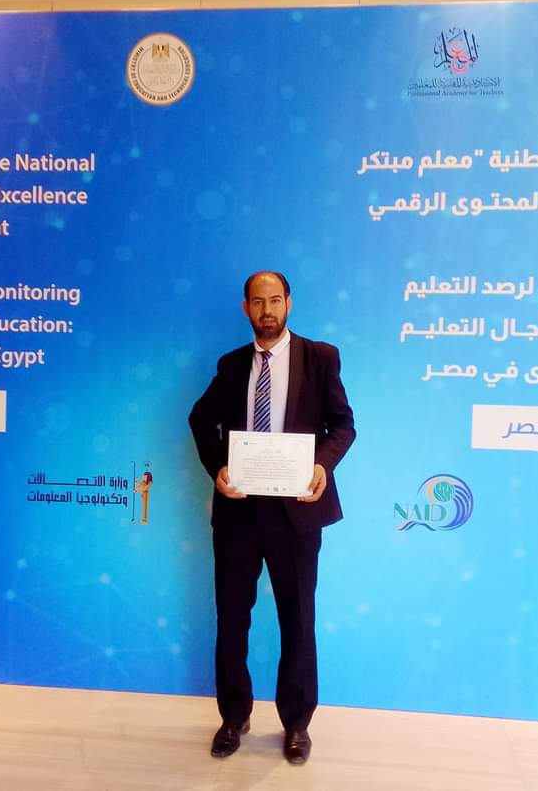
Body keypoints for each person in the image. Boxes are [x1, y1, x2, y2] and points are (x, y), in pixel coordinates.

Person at [188, 270, 356, 765]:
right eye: (258, 302)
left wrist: (322, 465)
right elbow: (200, 418)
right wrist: (218, 467)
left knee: (298, 620)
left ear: (289, 304)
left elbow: (343, 425)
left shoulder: (320, 357)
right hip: (239, 512)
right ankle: (233, 717)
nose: (268, 311)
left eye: (275, 300)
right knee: (231, 619)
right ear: (246, 308)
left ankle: (297, 725)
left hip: (296, 513)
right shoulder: (231, 364)